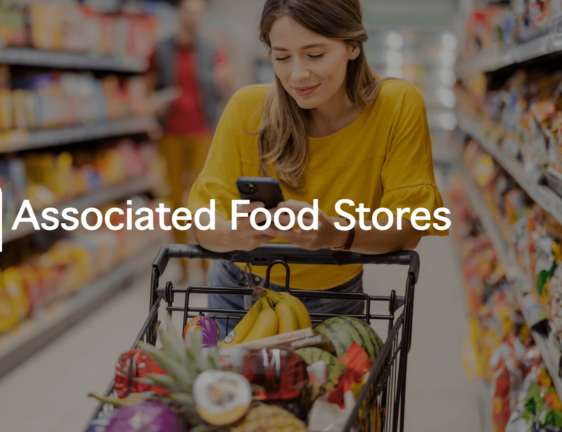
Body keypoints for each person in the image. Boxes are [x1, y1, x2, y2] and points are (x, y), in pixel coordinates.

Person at [187, 0, 448, 335]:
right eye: (282, 57)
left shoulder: (396, 106)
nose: (297, 75)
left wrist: (335, 233)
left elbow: (409, 228)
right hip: (238, 293)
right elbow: (201, 222)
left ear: (352, 45)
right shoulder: (247, 109)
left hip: (334, 299)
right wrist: (233, 234)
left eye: (315, 54)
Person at [150, 0, 232, 279]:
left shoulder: (211, 48)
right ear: (179, 14)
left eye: (198, 12)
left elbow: (226, 81)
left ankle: (208, 262)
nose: (193, 17)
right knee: (174, 199)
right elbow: (148, 87)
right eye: (188, 11)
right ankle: (184, 263)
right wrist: (155, 104)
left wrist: (223, 81)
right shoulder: (161, 48)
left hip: (202, 133)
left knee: (204, 199)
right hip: (171, 133)